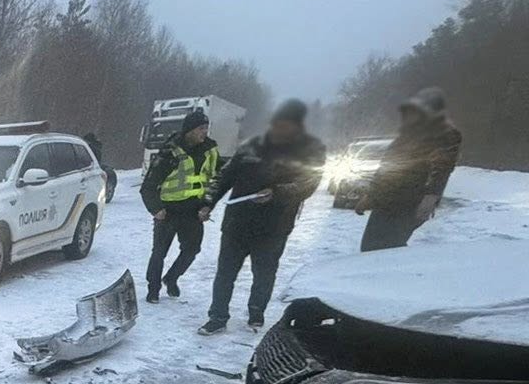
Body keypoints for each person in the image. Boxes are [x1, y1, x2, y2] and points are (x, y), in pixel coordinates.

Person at [198, 99, 325, 335]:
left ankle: (256, 312)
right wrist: (207, 203)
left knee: (264, 274)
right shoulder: (252, 146)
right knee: (225, 272)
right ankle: (217, 316)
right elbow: (224, 177)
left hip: (273, 227)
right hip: (237, 223)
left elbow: (308, 183)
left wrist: (276, 193)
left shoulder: (308, 151)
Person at [356, 87, 461, 252]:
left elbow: (442, 168)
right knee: (372, 249)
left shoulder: (445, 134)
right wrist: (371, 196)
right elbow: (388, 168)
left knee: (386, 249)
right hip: (386, 201)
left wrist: (430, 197)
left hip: (410, 201)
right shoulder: (409, 134)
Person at [139, 111, 217, 303]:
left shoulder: (210, 150)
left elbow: (213, 182)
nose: (204, 133)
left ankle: (172, 278)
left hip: (193, 211)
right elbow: (148, 187)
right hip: (168, 212)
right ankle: (153, 289)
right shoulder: (170, 152)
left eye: (206, 128)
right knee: (159, 253)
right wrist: (156, 209)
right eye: (201, 128)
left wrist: (207, 206)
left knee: (192, 250)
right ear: (189, 130)